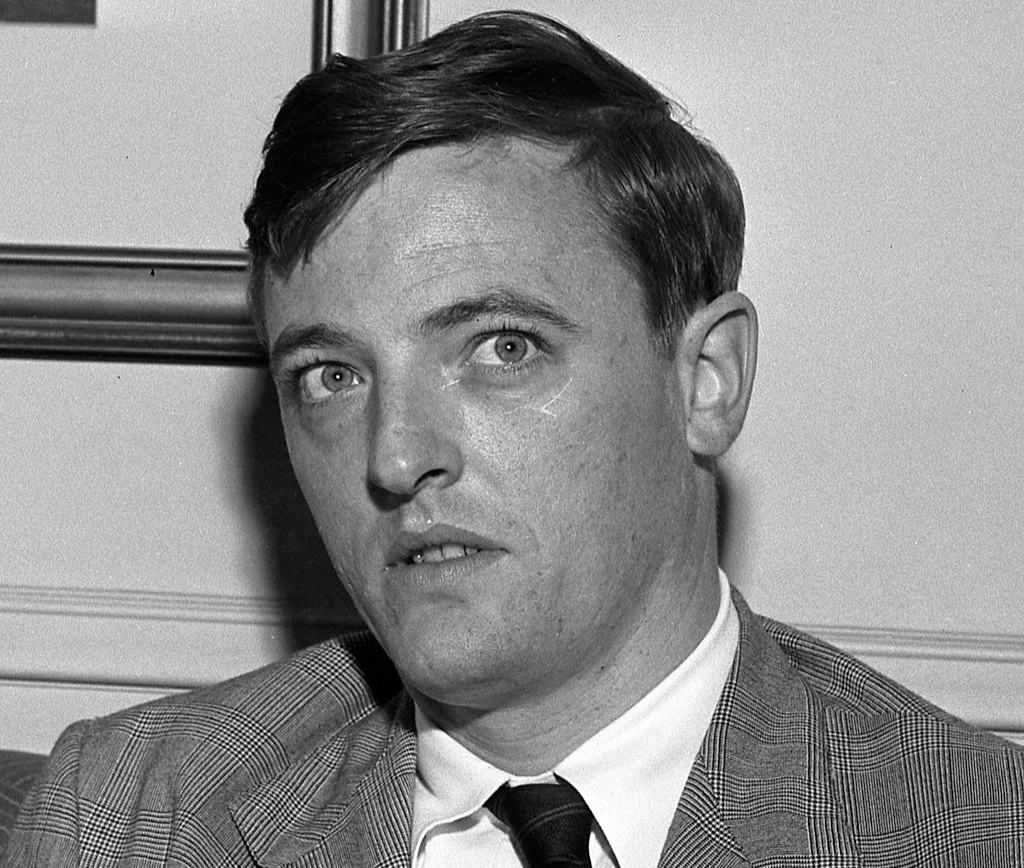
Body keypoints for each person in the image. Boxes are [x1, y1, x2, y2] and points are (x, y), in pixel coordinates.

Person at [5, 11, 1023, 868]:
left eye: (502, 347)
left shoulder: (973, 833)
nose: (395, 458)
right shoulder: (133, 817)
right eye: (330, 375)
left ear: (705, 381)